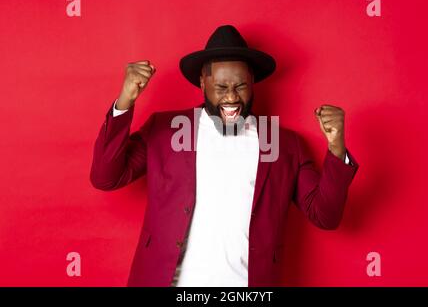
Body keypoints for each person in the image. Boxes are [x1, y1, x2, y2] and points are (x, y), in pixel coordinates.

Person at [90, 25, 359, 287]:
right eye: (220, 87)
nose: (231, 97)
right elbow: (106, 177)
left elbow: (325, 215)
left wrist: (336, 146)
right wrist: (125, 100)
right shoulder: (165, 129)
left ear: (253, 83)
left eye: (240, 86)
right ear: (202, 83)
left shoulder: (283, 143)